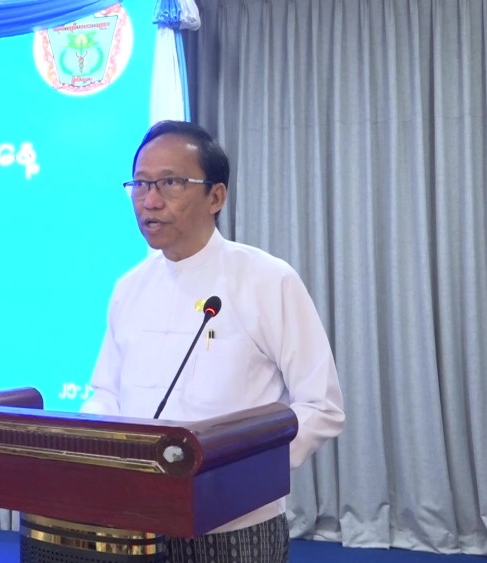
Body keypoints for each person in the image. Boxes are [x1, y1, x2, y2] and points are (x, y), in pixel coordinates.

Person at [80, 120, 345, 563]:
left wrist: (241, 474)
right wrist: (101, 453)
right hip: (138, 518)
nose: (150, 200)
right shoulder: (128, 287)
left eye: (170, 183)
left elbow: (322, 406)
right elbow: (105, 392)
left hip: (234, 522)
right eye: (140, 184)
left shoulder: (267, 279)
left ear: (216, 197)